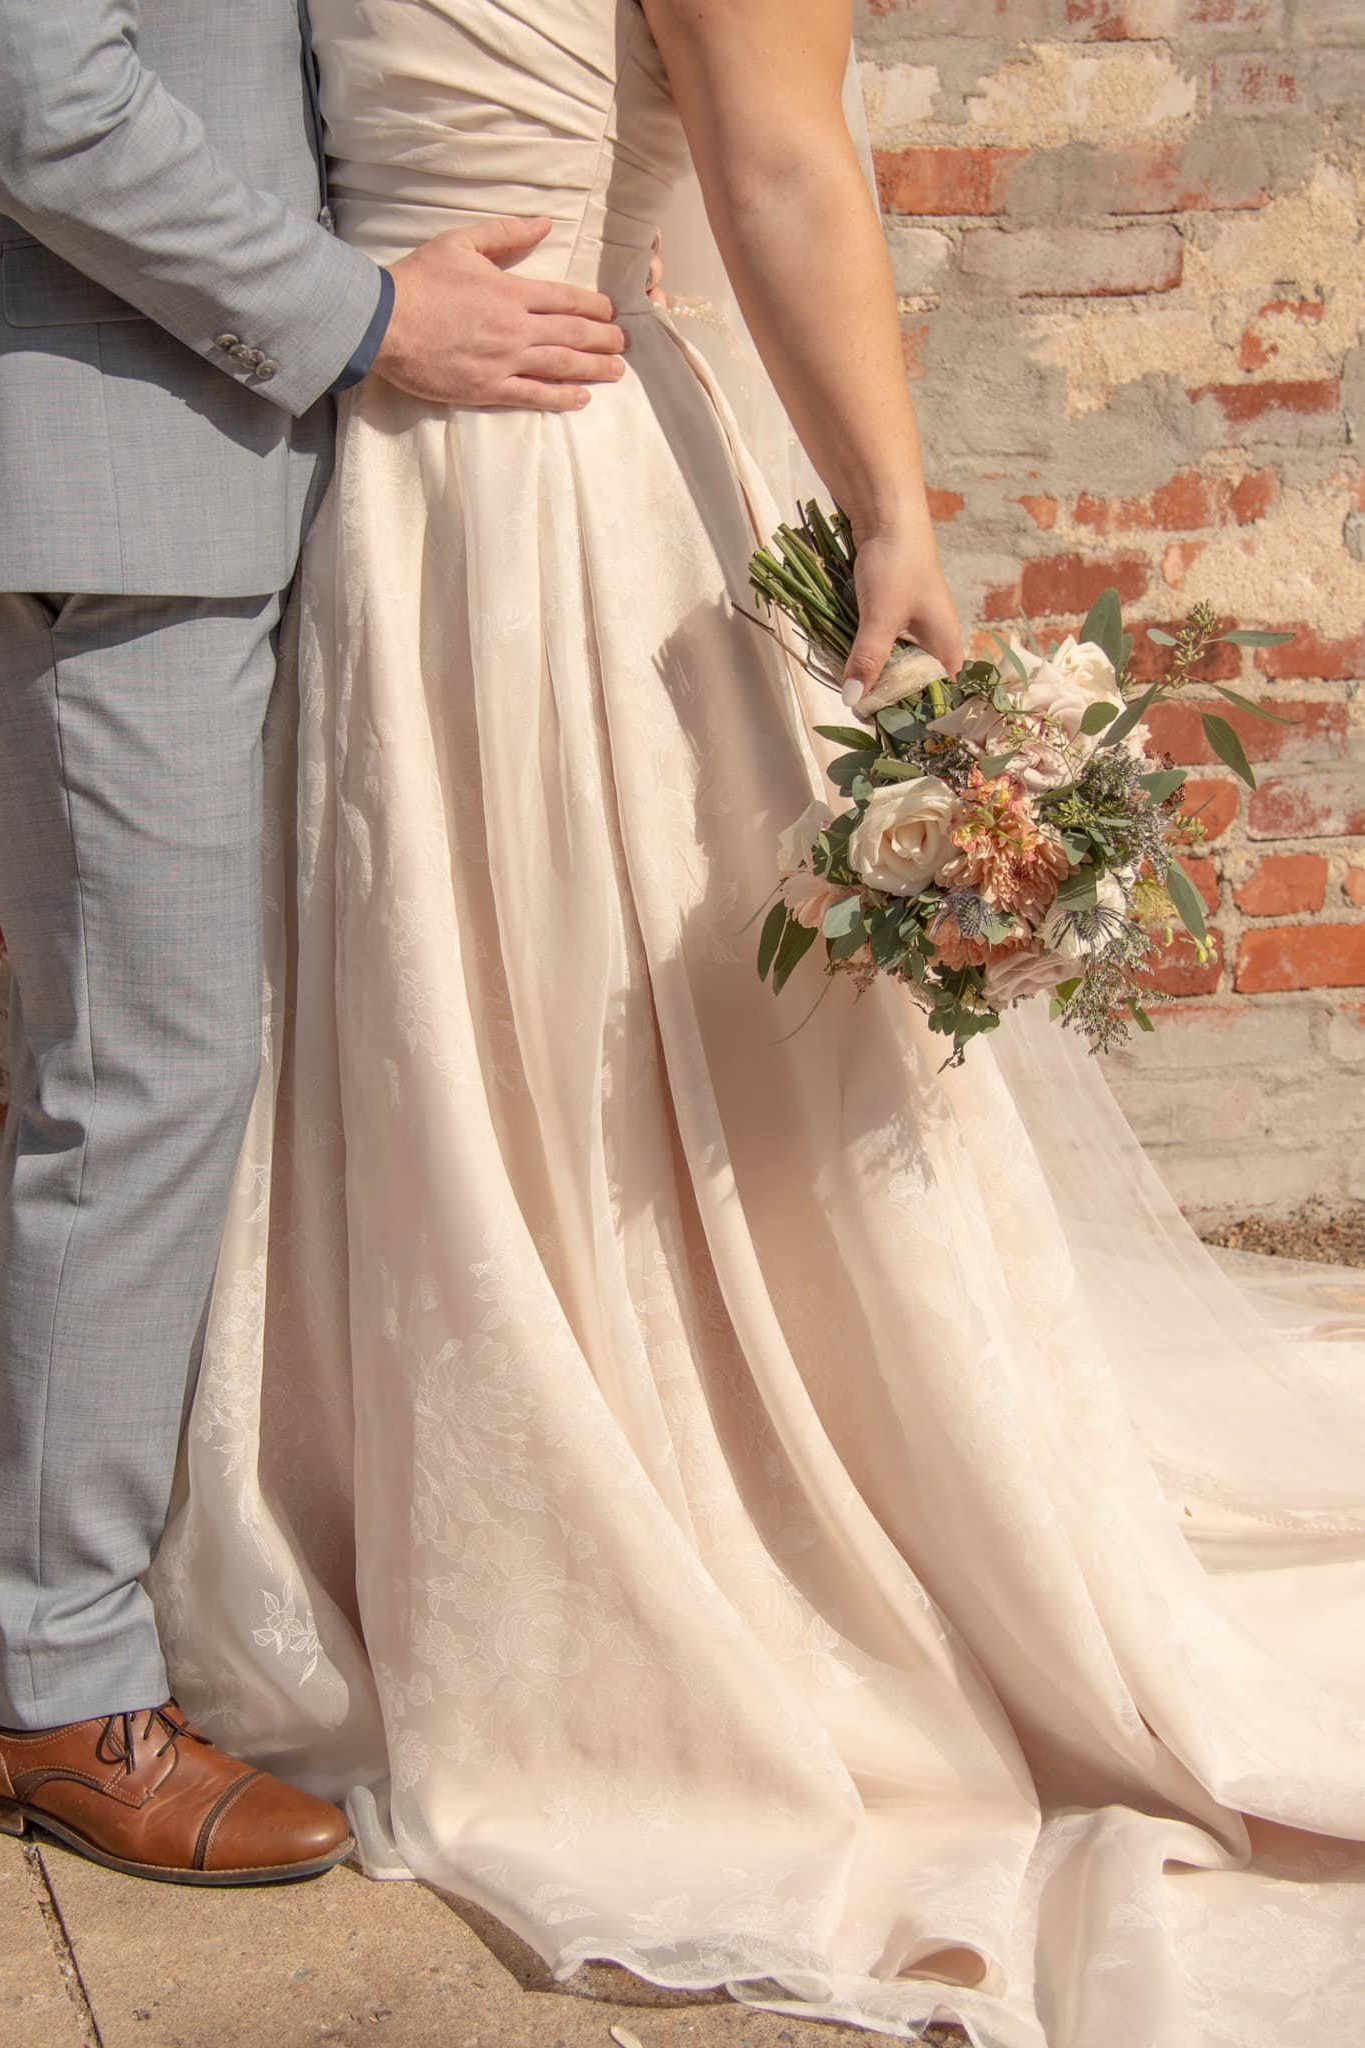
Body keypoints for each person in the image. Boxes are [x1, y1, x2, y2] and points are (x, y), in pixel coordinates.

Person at [151, 0, 1365, 2040]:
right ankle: (443, 1511)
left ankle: (699, 1517)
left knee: (619, 1037)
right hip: (369, 492)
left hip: (570, 501)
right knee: (434, 1014)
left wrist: (890, 504)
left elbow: (782, 157)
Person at [0, 0, 630, 1886]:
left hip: (192, 469)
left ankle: (109, 1612)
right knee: (142, 1073)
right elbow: (49, 106)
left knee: (171, 1067)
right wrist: (371, 318)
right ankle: (45, 1689)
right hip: (98, 478)